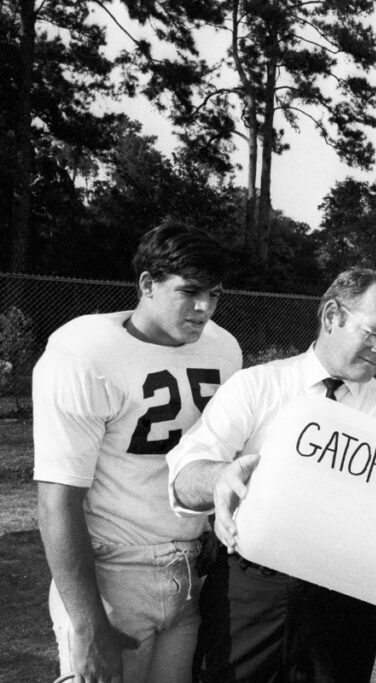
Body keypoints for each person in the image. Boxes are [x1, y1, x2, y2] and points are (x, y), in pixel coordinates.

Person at [166, 267, 376, 682]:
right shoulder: (257, 386)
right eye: (373, 335)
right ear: (332, 315)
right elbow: (185, 475)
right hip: (252, 586)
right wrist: (220, 478)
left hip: (346, 597)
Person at [34, 221, 241, 683]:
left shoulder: (224, 348)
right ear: (147, 284)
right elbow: (56, 500)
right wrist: (87, 625)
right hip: (112, 571)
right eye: (190, 291)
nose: (204, 307)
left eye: (215, 294)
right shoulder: (85, 353)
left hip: (190, 573)